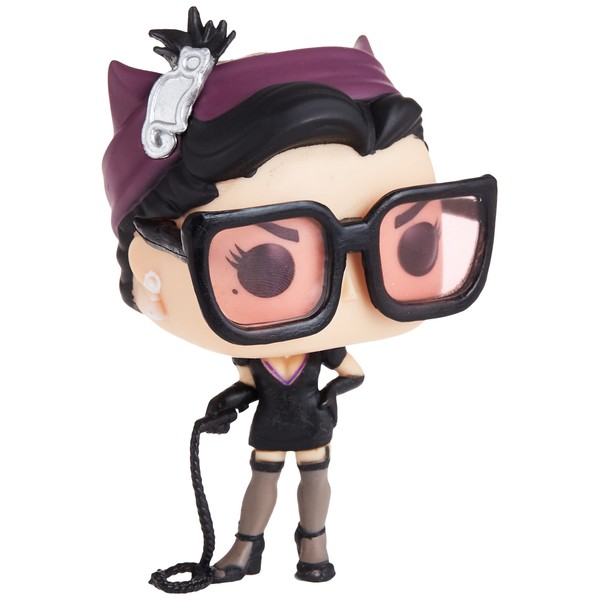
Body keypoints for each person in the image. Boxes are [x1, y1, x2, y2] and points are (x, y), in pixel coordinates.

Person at [102, 6, 496, 586]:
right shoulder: (258, 357)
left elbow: (351, 373)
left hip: (312, 428)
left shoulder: (314, 353)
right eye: (266, 267)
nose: (353, 291)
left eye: (413, 243)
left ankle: (313, 546)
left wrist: (330, 396)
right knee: (263, 479)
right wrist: (229, 405)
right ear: (147, 262)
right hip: (277, 428)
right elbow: (249, 385)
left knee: (314, 481)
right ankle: (246, 547)